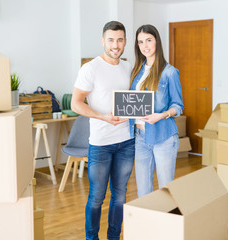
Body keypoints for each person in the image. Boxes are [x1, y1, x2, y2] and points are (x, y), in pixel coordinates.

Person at [71, 21, 135, 240]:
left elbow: (133, 103)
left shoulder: (129, 68)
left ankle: (114, 237)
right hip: (100, 143)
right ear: (103, 41)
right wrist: (102, 117)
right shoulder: (90, 68)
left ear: (125, 42)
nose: (115, 45)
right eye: (111, 40)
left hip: (127, 141)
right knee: (97, 197)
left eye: (119, 40)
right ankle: (92, 238)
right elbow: (76, 103)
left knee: (120, 196)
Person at [129, 24, 184, 197]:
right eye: (140, 42)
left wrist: (162, 115)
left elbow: (178, 105)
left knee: (166, 190)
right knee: (143, 191)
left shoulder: (169, 72)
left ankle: (167, 223)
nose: (145, 46)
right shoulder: (136, 71)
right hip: (139, 137)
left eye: (148, 40)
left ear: (157, 42)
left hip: (164, 137)